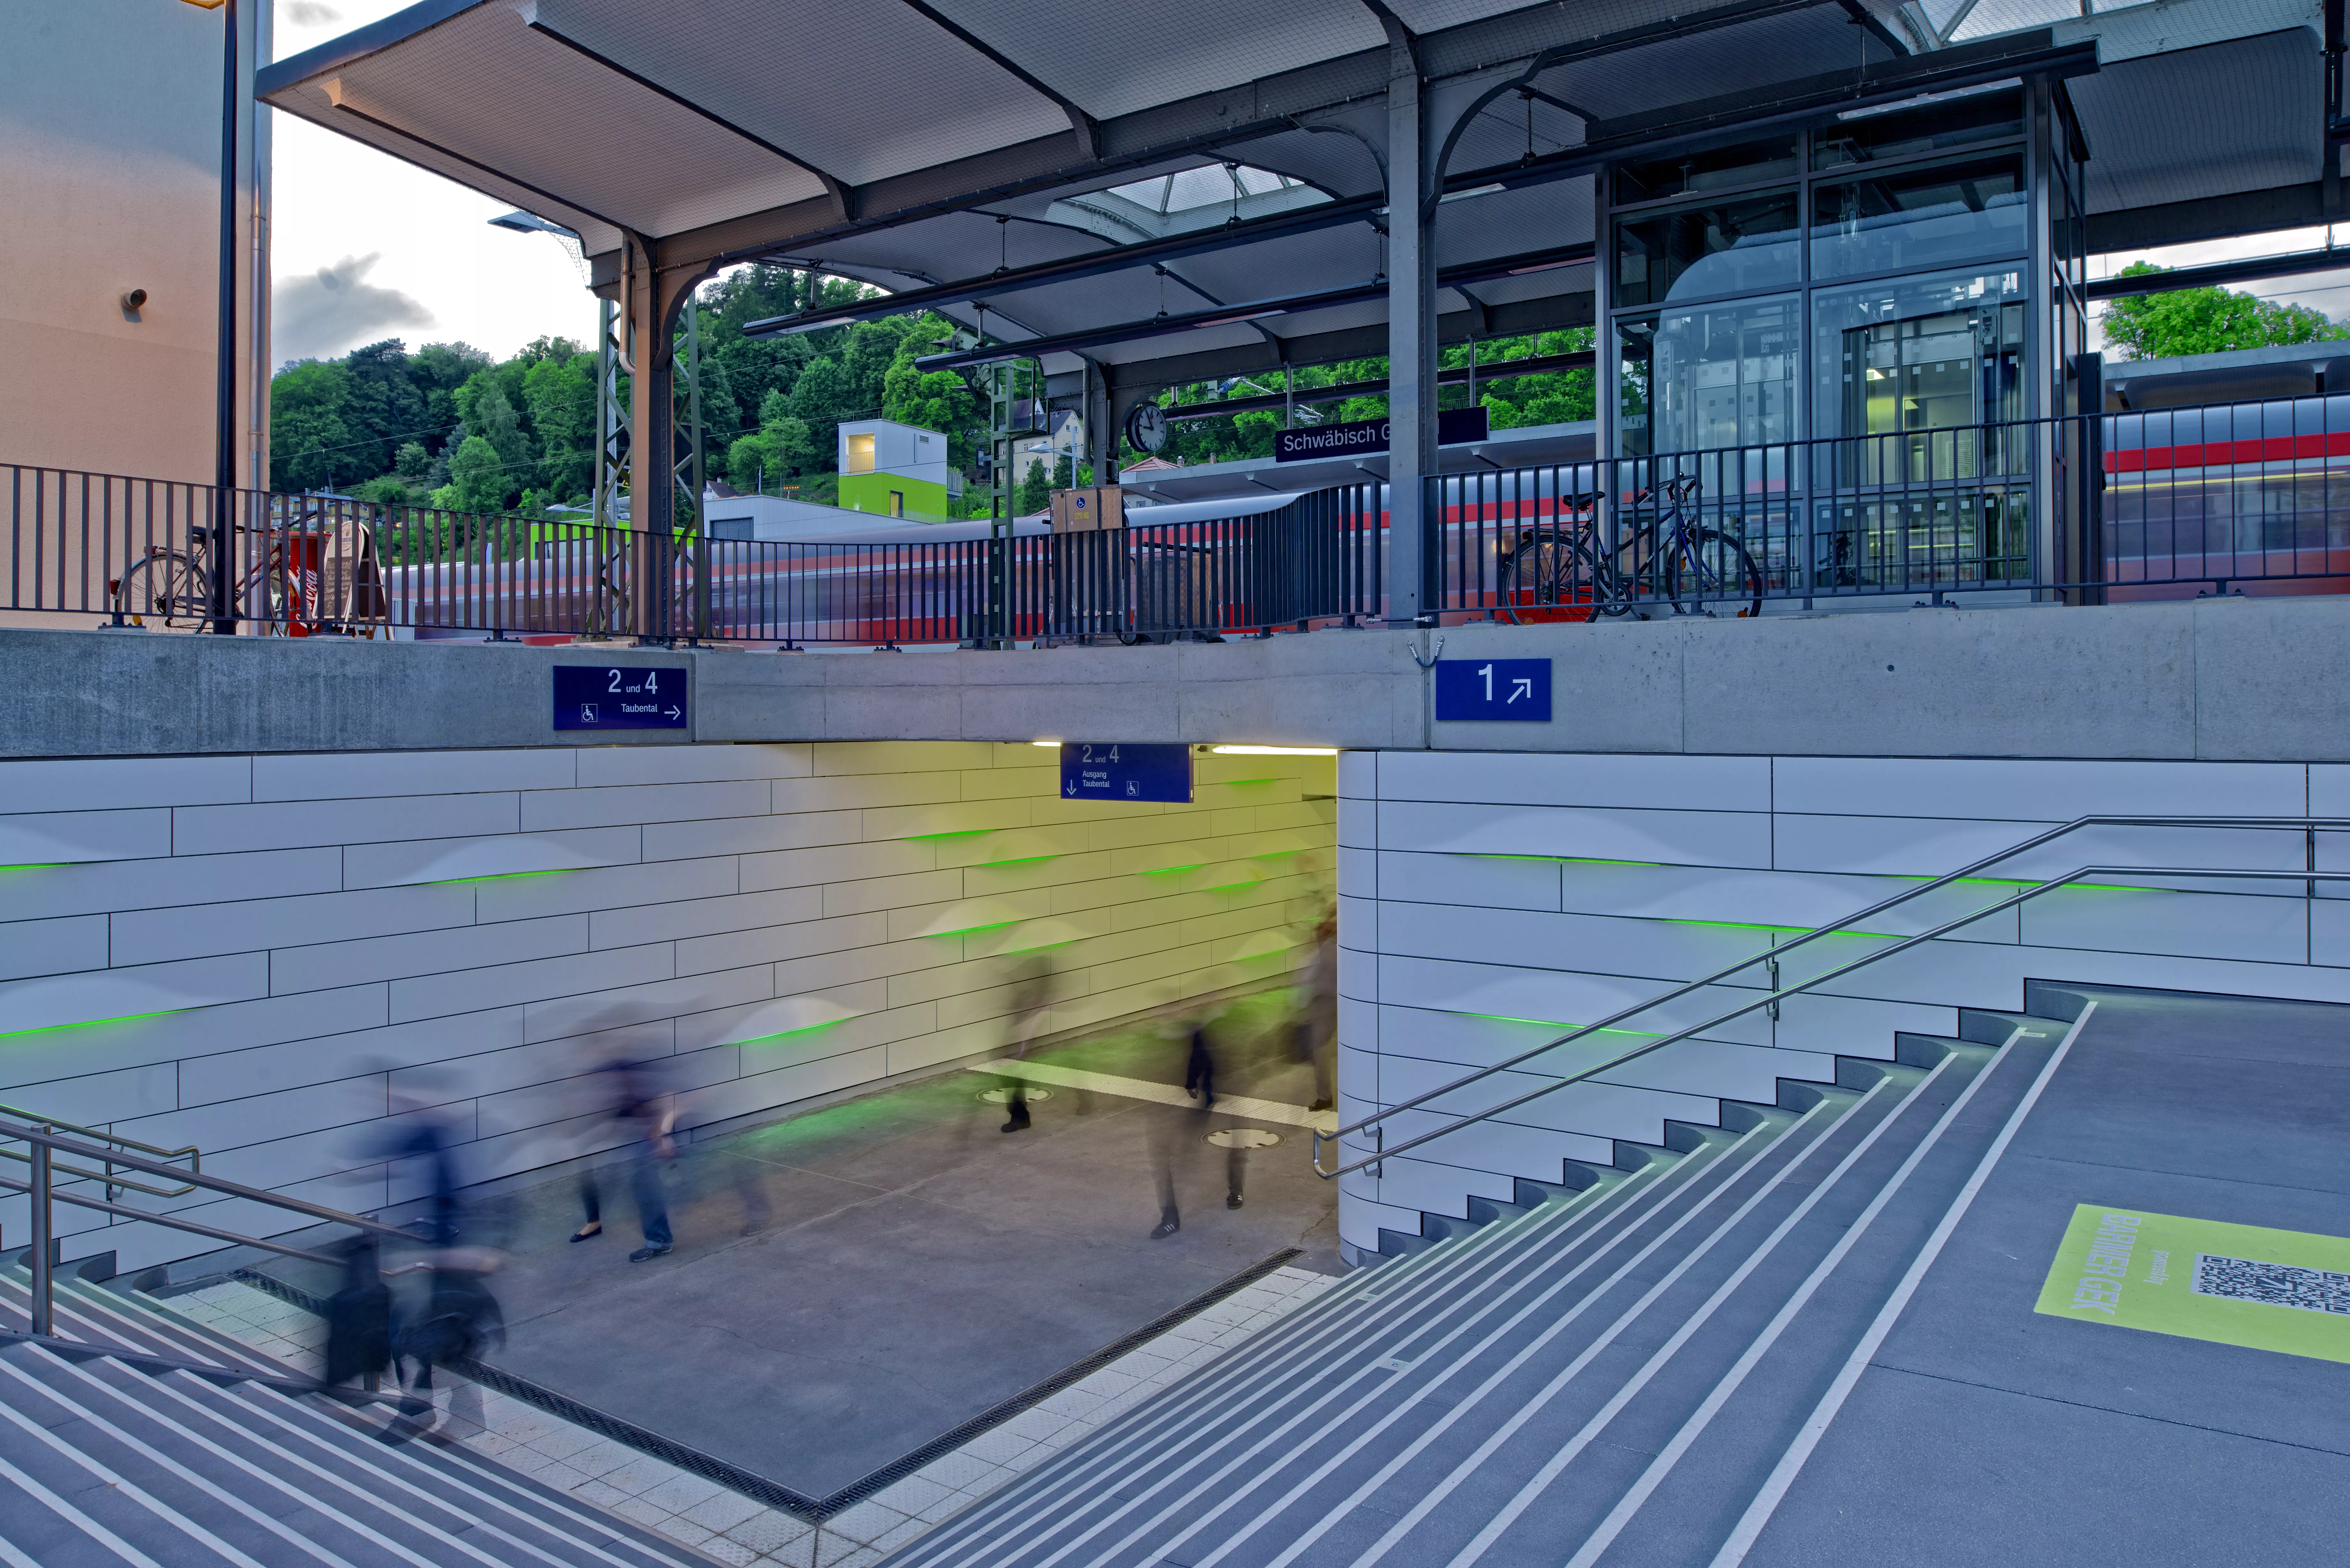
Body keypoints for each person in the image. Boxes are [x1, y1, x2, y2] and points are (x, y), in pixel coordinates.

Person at [570, 1052, 676, 1261]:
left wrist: (662, 1134)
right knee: (608, 1178)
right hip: (629, 1132)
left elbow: (666, 1094)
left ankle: (661, 1241)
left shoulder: (633, 1062)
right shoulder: (610, 1064)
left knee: (646, 1185)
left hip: (645, 1132)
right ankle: (595, 1223)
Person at [999, 958, 1052, 1133]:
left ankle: (1020, 1117)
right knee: (1010, 1070)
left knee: (1013, 1070)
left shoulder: (1038, 962)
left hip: (1026, 1021)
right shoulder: (1027, 961)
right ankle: (1019, 1115)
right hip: (1019, 1021)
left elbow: (1040, 992)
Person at [1299, 911, 1339, 1113]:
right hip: (1329, 1001)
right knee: (1320, 1048)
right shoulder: (1327, 947)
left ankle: (1326, 1096)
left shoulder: (1333, 949)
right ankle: (1325, 1096)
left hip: (1334, 1002)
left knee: (1321, 1048)